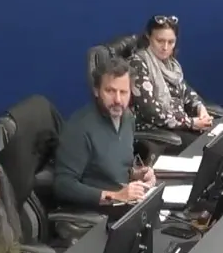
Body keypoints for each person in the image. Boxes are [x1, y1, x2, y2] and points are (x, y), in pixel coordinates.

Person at [52, 56, 156, 211]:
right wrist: (115, 196)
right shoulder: (80, 127)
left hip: (125, 202)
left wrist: (136, 175)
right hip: (95, 211)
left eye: (123, 92)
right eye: (110, 91)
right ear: (96, 90)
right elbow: (63, 185)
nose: (118, 100)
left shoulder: (127, 118)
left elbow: (113, 167)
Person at [129, 14, 213, 148]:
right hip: (157, 131)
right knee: (206, 147)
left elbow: (186, 91)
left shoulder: (170, 64)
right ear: (148, 37)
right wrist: (190, 123)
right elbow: (151, 112)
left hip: (180, 125)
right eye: (160, 41)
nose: (165, 47)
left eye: (171, 42)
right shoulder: (138, 64)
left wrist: (200, 108)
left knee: (216, 139)